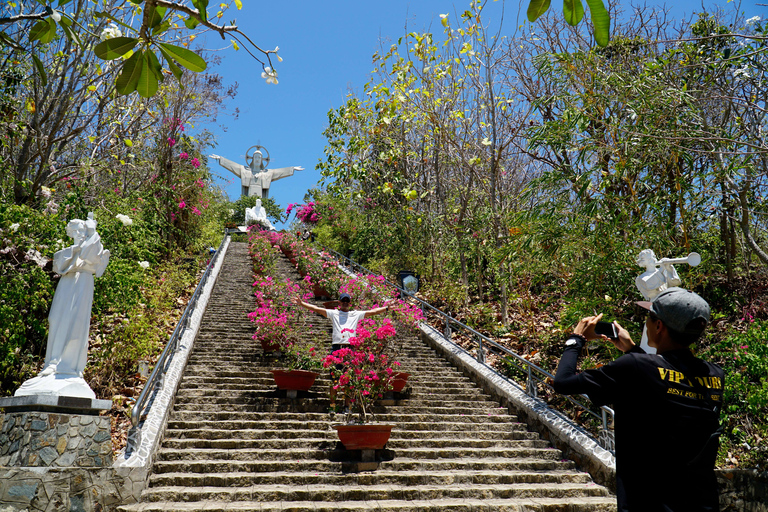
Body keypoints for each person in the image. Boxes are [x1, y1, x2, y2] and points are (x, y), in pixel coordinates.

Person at [553, 287, 724, 512]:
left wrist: (575, 340)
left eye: (648, 317)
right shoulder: (715, 375)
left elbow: (563, 383)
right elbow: (667, 380)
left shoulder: (635, 367)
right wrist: (632, 348)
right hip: (701, 503)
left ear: (659, 326)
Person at [292, 292, 391, 409]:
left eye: (347, 301)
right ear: (339, 303)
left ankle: (346, 406)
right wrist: (302, 303)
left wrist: (387, 308)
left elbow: (372, 312)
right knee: (334, 379)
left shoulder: (355, 314)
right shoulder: (334, 313)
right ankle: (333, 406)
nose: (345, 303)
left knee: (348, 379)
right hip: (336, 349)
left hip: (350, 349)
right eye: (342, 301)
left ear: (349, 303)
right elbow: (317, 309)